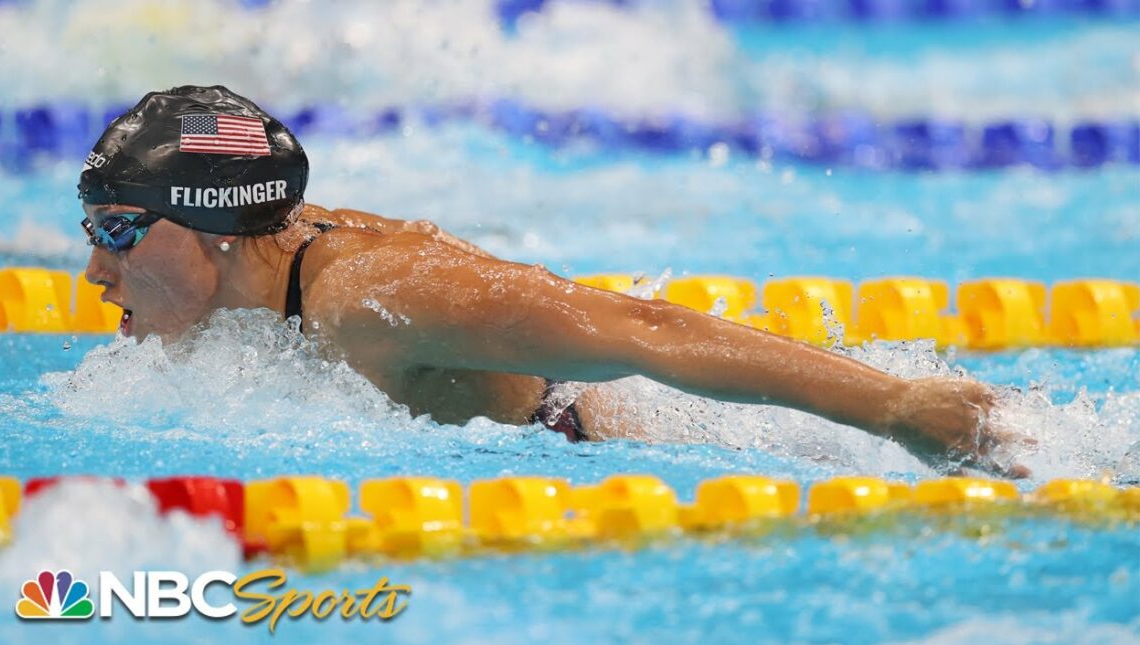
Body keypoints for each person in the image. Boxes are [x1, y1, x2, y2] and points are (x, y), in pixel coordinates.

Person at [79, 85, 1031, 477]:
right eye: (92, 232)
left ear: (208, 227)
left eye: (119, 232)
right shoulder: (262, 269)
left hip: (665, 438)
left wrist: (898, 406)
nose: (95, 272)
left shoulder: (372, 295)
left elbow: (639, 330)